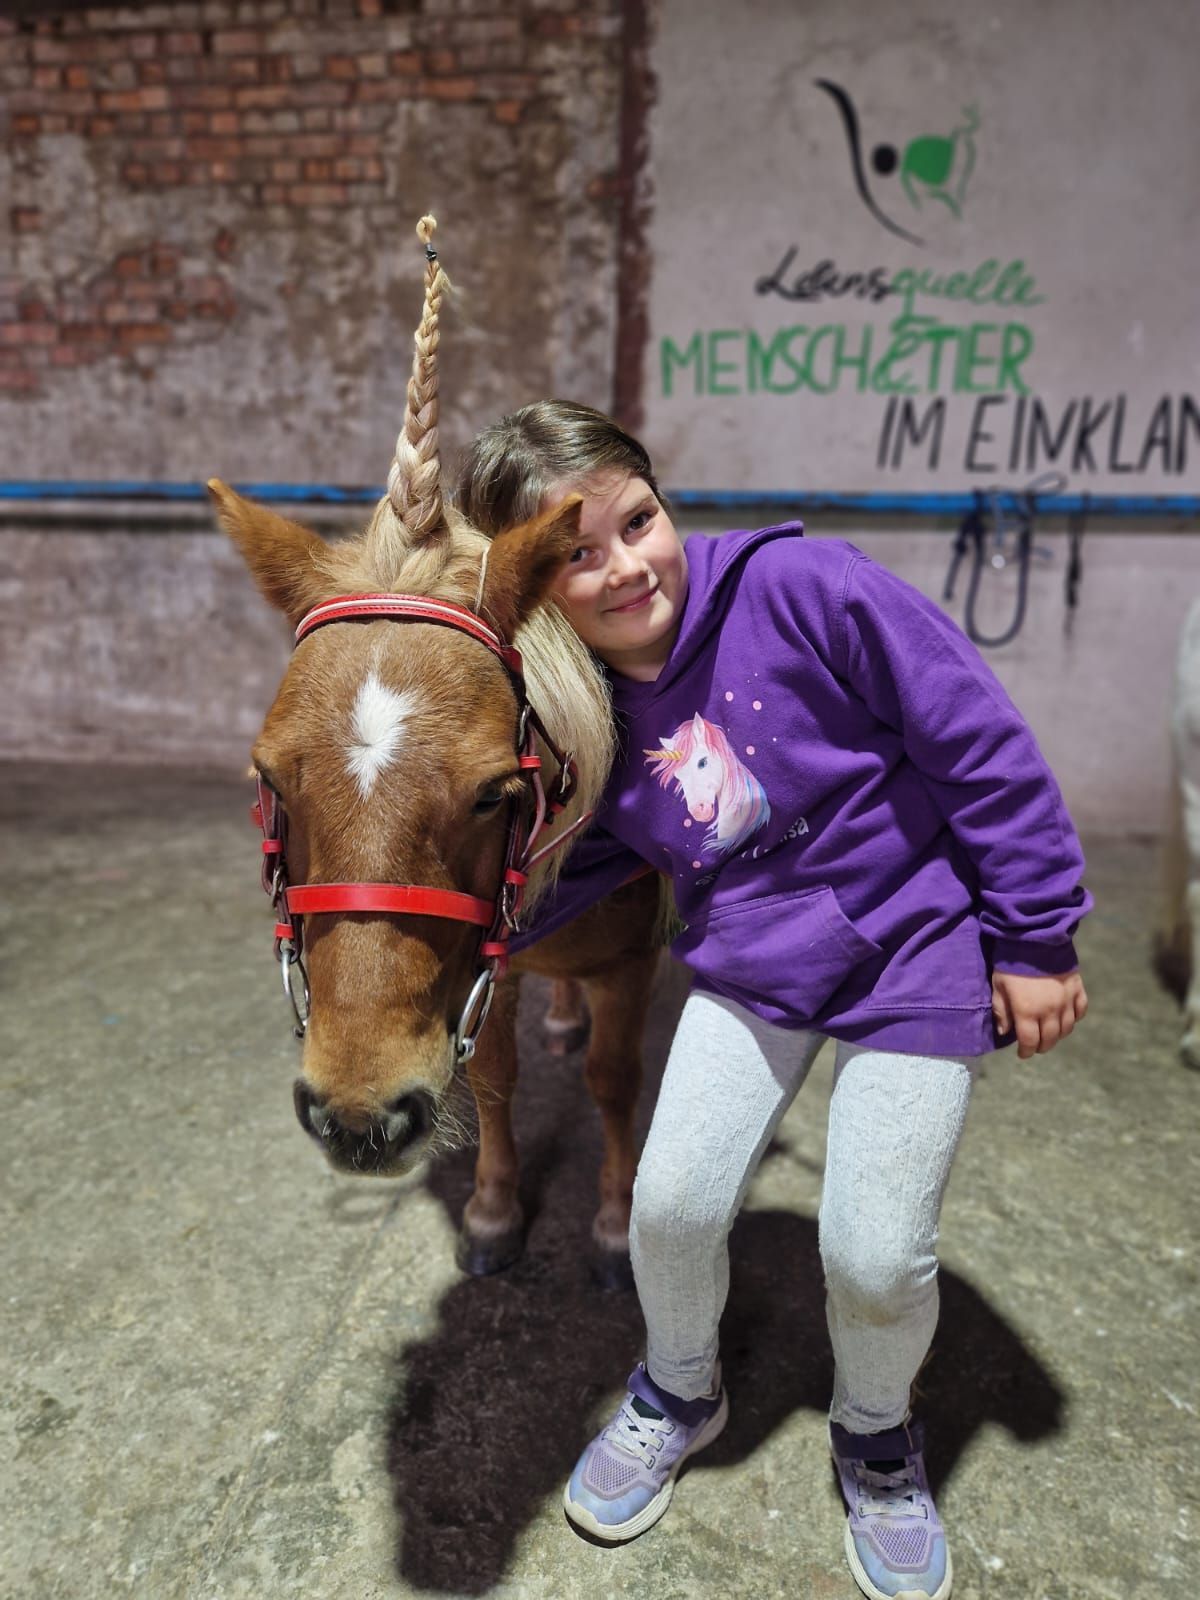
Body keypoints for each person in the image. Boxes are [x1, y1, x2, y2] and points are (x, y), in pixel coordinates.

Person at [456, 400, 1090, 1600]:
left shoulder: (807, 587)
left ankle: (875, 1430)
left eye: (637, 520)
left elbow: (980, 742)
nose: (626, 563)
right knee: (674, 1201)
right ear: (532, 587)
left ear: (662, 501)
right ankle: (680, 1386)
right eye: (576, 552)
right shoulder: (578, 708)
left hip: (917, 944)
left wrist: (1036, 934)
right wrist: (468, 936)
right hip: (753, 955)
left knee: (873, 1251)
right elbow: (580, 858)